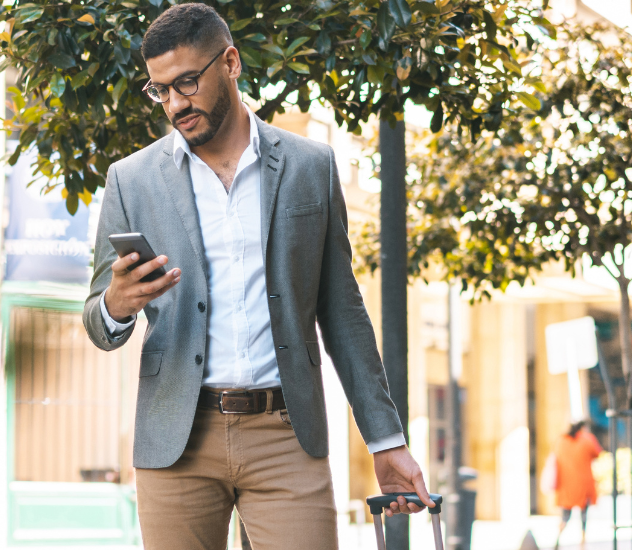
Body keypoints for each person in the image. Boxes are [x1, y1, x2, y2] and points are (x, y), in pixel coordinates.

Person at [82, 4, 433, 548]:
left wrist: (386, 440)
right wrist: (116, 305)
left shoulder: (310, 166)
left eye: (187, 84)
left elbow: (342, 311)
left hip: (286, 437)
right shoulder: (130, 181)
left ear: (231, 62)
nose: (175, 104)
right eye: (160, 91)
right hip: (178, 440)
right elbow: (98, 322)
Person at [553, 421, 602, 550]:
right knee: (584, 517)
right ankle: (582, 544)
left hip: (565, 485)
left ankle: (557, 539)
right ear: (583, 428)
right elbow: (597, 453)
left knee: (565, 517)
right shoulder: (586, 440)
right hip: (583, 485)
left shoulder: (561, 441)